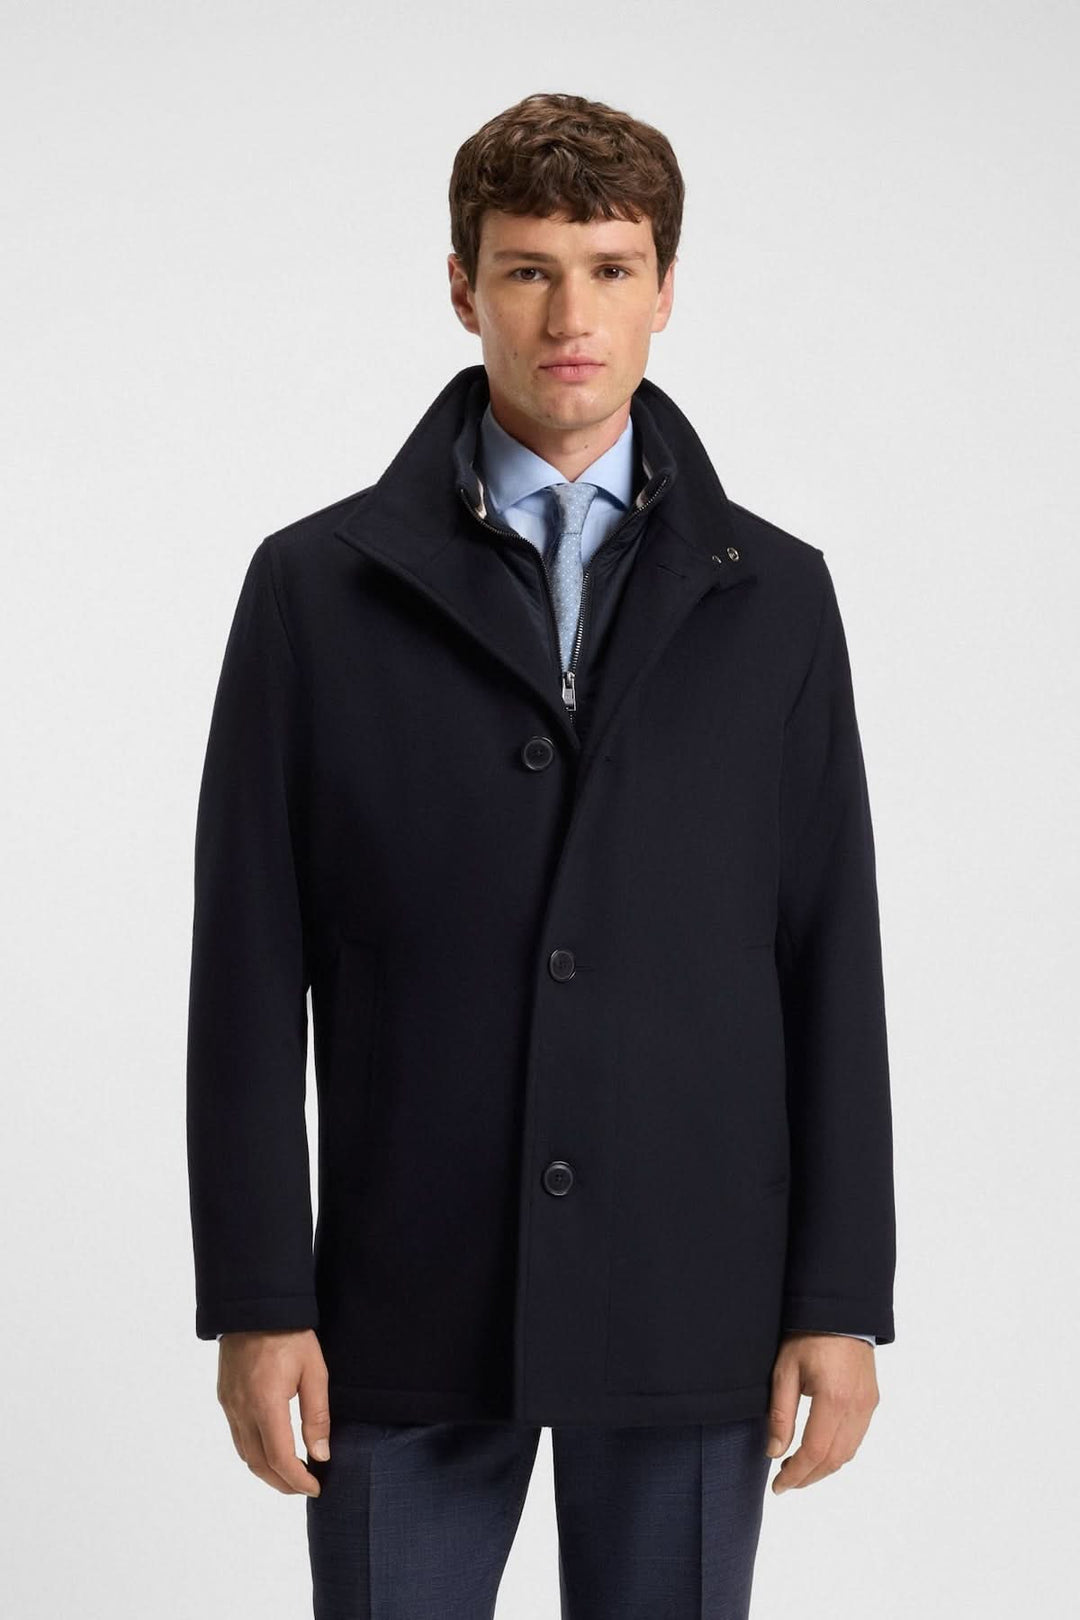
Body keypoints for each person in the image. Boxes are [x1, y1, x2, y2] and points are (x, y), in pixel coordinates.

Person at [186, 90, 896, 1618]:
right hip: (401, 1296)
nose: (571, 316)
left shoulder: (777, 599)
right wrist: (257, 1298)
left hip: (693, 1292)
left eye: (611, 269)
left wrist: (838, 1299)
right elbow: (245, 969)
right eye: (527, 270)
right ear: (464, 288)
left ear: (665, 288)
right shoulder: (314, 590)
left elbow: (829, 950)